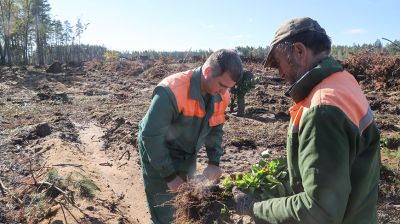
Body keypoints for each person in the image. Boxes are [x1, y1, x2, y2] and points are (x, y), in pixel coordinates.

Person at [234, 17, 380, 223]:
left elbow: (318, 211)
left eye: (279, 63)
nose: (281, 72)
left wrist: (254, 208)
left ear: (299, 51)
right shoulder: (344, 82)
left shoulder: (322, 109)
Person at [138, 49, 243, 224]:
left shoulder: (221, 96)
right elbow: (152, 136)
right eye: (222, 85)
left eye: (228, 88)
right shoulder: (171, 90)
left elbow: (216, 128)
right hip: (156, 149)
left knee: (188, 205)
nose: (224, 92)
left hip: (186, 151)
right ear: (208, 71)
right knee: (164, 209)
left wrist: (213, 162)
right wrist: (170, 177)